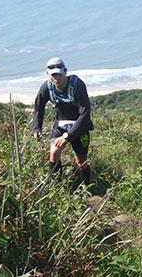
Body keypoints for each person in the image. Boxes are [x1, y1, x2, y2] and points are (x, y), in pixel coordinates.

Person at [32, 57, 94, 191]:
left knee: (81, 161)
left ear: (65, 72)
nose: (57, 78)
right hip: (60, 124)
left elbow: (85, 115)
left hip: (79, 127)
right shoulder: (46, 87)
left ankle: (87, 189)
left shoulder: (78, 85)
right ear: (48, 74)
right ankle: (56, 187)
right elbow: (39, 106)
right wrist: (37, 127)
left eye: (59, 74)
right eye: (53, 75)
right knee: (54, 152)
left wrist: (67, 136)